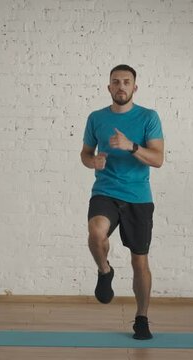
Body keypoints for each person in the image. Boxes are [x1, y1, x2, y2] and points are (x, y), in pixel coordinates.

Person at [80, 64, 164, 340]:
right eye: (116, 82)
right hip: (105, 190)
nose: (121, 86)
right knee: (96, 232)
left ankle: (141, 318)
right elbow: (85, 154)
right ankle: (104, 271)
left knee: (139, 262)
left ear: (134, 88)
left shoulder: (148, 118)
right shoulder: (96, 118)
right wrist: (93, 161)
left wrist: (132, 146)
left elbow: (158, 159)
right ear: (109, 87)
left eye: (126, 82)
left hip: (138, 198)